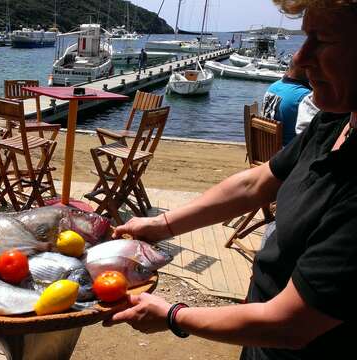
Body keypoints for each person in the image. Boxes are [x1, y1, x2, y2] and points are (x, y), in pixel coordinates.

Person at [104, 2, 357, 359]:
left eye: (322, 40)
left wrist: (174, 315)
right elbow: (256, 183)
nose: (300, 57)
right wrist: (160, 225)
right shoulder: (336, 120)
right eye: (305, 37)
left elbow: (290, 324)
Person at [262, 57, 312, 145]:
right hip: (288, 154)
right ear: (307, 70)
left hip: (266, 147)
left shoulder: (273, 86)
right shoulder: (305, 96)